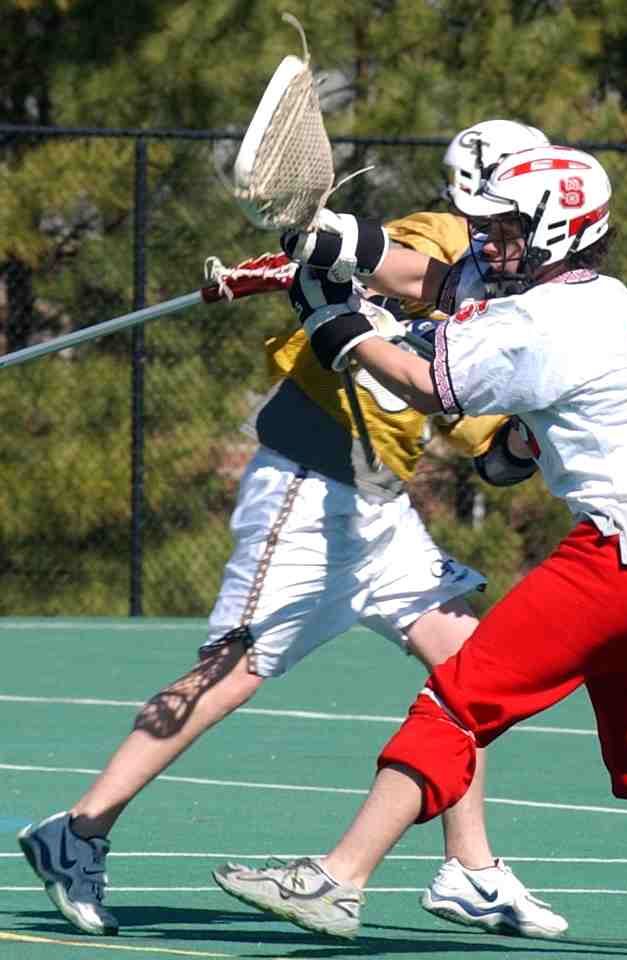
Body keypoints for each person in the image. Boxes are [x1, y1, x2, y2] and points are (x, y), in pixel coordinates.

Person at [211, 144, 627, 960]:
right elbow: (436, 281)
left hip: (618, 557)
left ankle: (337, 879)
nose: (488, 240)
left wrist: (332, 323)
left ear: (555, 232)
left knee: (453, 705)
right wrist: (330, 239)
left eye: (507, 228)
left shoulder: (541, 319)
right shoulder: (599, 296)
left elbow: (426, 385)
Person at [16, 120, 569, 941]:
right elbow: (354, 257)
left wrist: (523, 439)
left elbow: (482, 443)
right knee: (230, 673)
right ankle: (79, 831)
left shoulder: (511, 289)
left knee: (469, 670)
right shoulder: (442, 239)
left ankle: (470, 868)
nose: (518, 228)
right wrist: (319, 266)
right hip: (309, 488)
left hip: (379, 509)